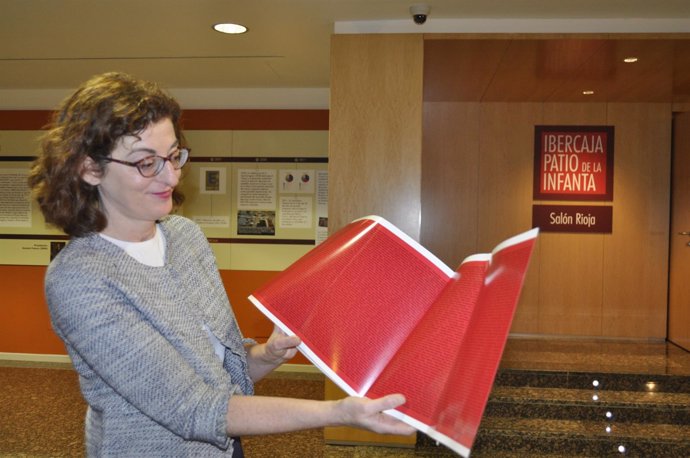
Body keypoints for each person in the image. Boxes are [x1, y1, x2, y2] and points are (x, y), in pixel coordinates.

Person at [28, 72, 414, 457]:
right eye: (147, 162)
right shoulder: (80, 278)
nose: (172, 175)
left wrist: (265, 354)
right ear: (90, 169)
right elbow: (195, 408)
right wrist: (340, 412)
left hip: (226, 448)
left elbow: (222, 372)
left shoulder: (185, 237)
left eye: (173, 155)